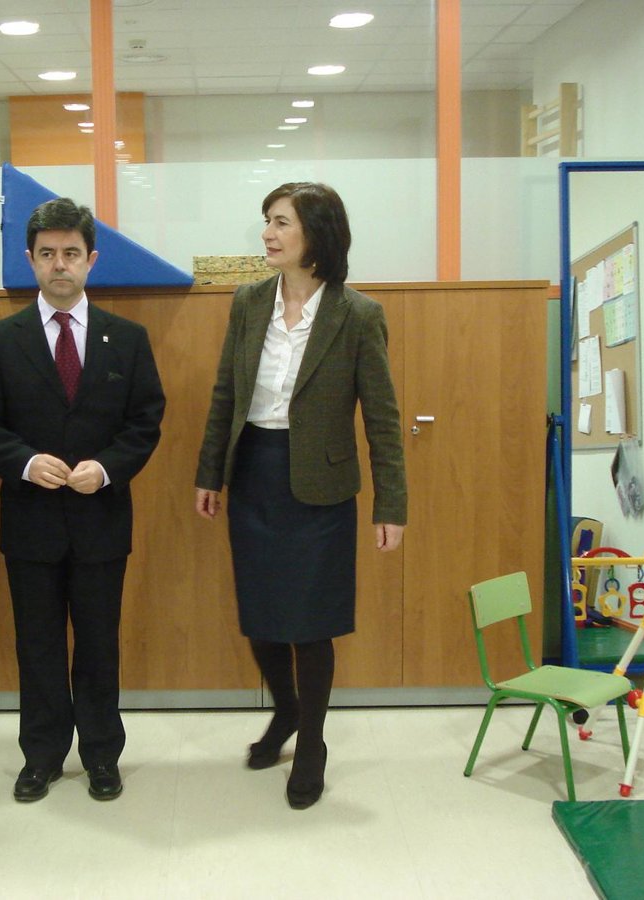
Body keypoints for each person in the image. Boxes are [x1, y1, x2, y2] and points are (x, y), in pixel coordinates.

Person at [194, 182, 406, 810]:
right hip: (254, 473)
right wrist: (210, 473)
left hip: (320, 486)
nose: (268, 233)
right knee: (261, 615)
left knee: (311, 625)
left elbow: (383, 418)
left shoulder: (358, 314)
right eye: (267, 220)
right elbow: (226, 393)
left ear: (317, 232)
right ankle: (285, 711)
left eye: (281, 222)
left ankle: (311, 741)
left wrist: (390, 504)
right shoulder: (248, 301)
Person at [0, 198, 165, 803]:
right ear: (30, 259)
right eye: (48, 254)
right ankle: (42, 756)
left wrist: (105, 469)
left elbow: (145, 422)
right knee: (38, 646)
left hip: (101, 519)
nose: (60, 265)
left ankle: (102, 755)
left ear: (91, 260)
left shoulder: (127, 339)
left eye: (71, 253)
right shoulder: (1, 339)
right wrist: (27, 463)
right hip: (31, 522)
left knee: (100, 645)